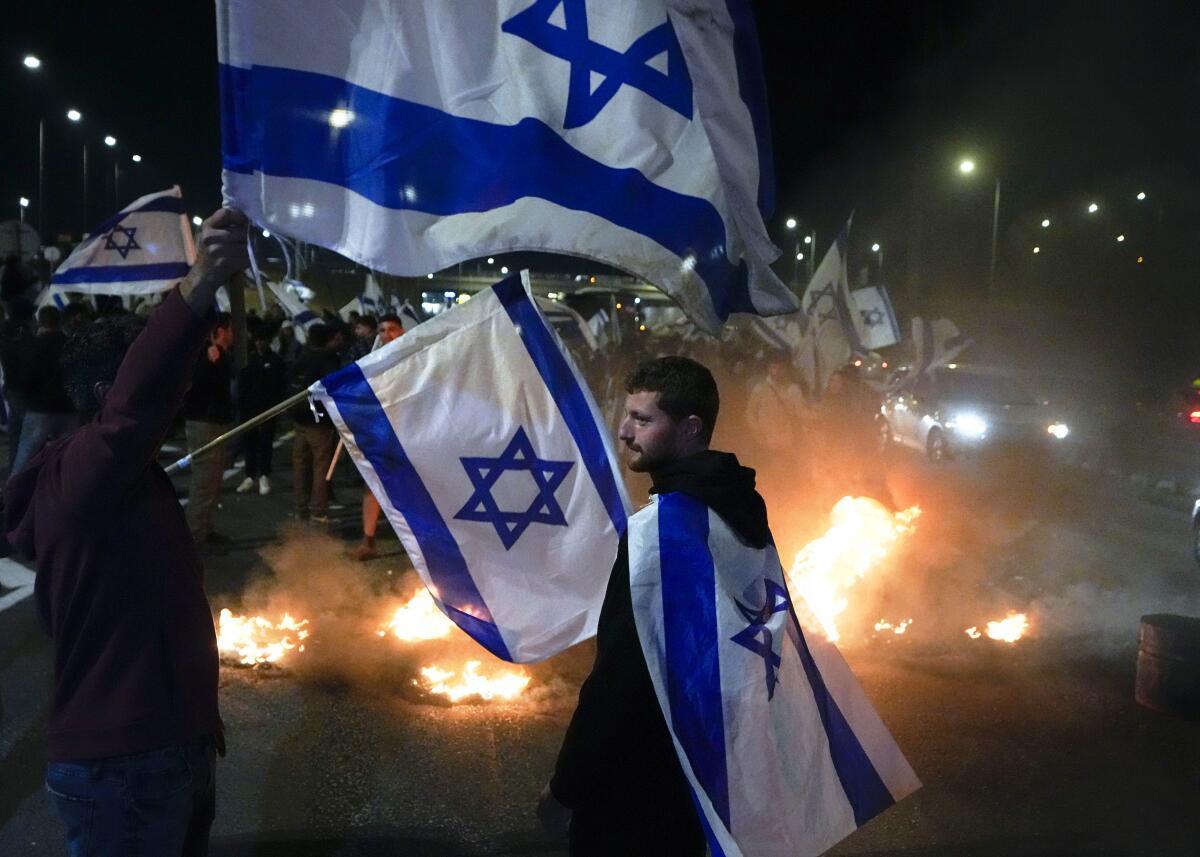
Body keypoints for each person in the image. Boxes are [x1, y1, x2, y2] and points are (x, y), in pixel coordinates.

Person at [3, 208, 249, 856]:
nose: (183, 385)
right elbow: (141, 397)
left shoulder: (117, 475)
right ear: (111, 389)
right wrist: (199, 281)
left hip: (166, 747)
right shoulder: (87, 472)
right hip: (126, 764)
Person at [539, 355, 769, 855]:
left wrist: (567, 786)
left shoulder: (662, 529)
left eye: (643, 419)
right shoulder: (739, 506)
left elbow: (621, 675)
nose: (624, 431)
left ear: (690, 429)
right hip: (706, 761)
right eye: (626, 415)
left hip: (639, 773)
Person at [350, 313, 405, 560]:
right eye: (382, 330)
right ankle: (368, 540)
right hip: (382, 433)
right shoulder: (371, 363)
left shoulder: (413, 359)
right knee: (372, 485)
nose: (386, 335)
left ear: (402, 331)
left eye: (392, 329)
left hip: (410, 435)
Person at [183, 312, 235, 545]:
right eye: (232, 329)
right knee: (204, 481)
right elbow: (195, 387)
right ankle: (194, 535)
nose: (235, 334)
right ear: (221, 331)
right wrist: (208, 363)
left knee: (213, 480)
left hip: (215, 421)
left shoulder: (220, 354)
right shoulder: (202, 354)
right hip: (204, 422)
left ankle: (205, 528)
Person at [11, 306, 77, 473]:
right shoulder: (70, 344)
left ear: (40, 321)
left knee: (25, 456)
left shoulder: (34, 346)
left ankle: (13, 495)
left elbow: (25, 378)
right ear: (59, 321)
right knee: (69, 457)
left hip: (40, 408)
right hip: (68, 408)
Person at [289, 323, 341, 524]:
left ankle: (300, 508)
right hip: (319, 420)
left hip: (299, 417)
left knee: (300, 464)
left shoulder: (302, 357)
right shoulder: (327, 360)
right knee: (320, 465)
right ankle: (318, 510)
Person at [235, 325, 286, 495]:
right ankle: (250, 475)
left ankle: (264, 475)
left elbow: (280, 386)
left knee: (265, 443)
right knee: (249, 442)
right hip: (249, 409)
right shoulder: (249, 360)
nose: (259, 343)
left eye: (262, 340)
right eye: (257, 340)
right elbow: (242, 385)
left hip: (268, 409)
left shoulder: (276, 361)